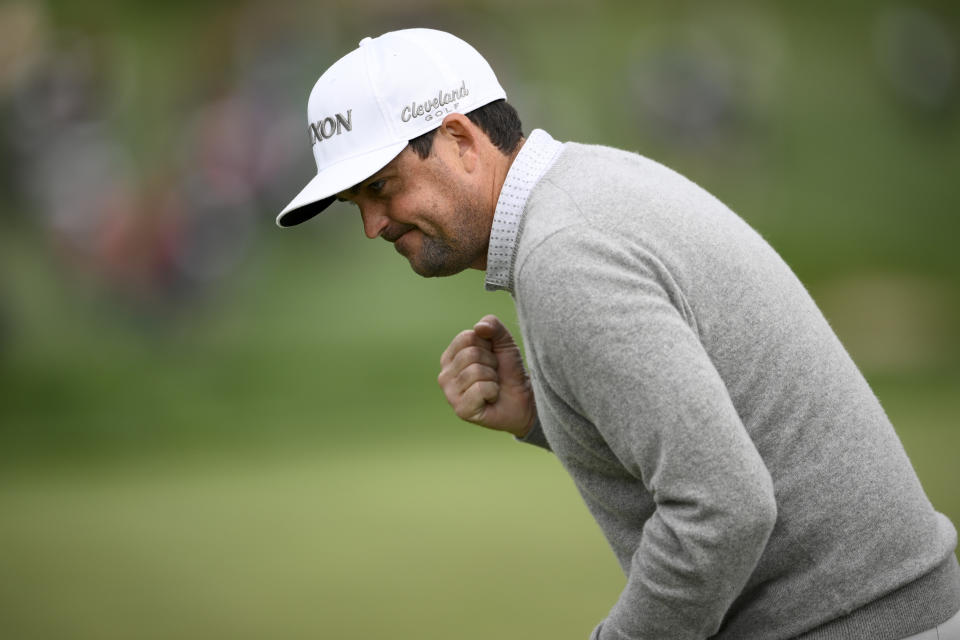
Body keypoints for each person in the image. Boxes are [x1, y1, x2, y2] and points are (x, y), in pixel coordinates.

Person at [276, 28, 960, 640]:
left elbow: (723, 510)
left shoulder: (565, 255)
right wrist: (549, 414)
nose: (373, 225)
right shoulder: (586, 188)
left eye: (384, 187)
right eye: (356, 202)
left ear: (459, 140)